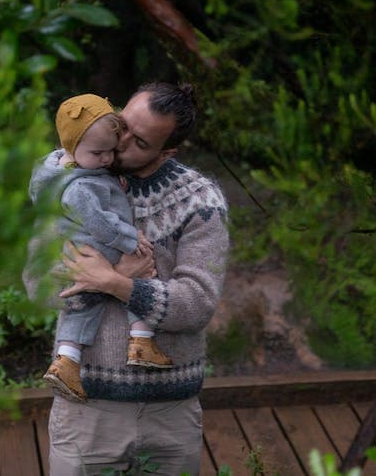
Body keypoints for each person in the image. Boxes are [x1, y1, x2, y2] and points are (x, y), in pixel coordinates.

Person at [23, 82, 230, 476]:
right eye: (123, 125)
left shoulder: (200, 200)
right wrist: (113, 275)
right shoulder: (67, 181)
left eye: (139, 142)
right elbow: (38, 285)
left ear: (166, 152)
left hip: (170, 413)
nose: (119, 144)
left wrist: (121, 286)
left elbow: (198, 302)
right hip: (86, 410)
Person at [29, 93, 176, 404]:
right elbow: (98, 221)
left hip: (88, 256)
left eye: (111, 150)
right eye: (100, 153)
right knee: (142, 273)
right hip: (100, 247)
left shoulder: (82, 170)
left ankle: (66, 361)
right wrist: (127, 241)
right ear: (71, 148)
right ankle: (141, 340)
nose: (109, 159)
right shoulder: (80, 186)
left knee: (84, 307)